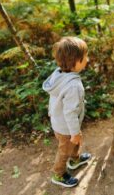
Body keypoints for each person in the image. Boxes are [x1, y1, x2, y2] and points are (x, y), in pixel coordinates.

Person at [42, 37, 91, 188]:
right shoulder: (73, 86)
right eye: (84, 57)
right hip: (66, 127)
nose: (87, 59)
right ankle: (59, 174)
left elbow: (55, 98)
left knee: (75, 142)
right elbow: (70, 113)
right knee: (64, 150)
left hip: (59, 122)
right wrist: (74, 132)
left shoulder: (59, 74)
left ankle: (75, 159)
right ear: (75, 61)